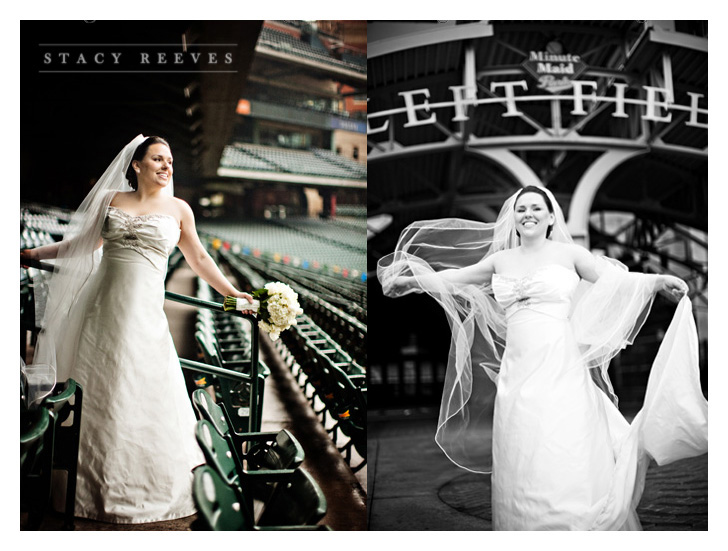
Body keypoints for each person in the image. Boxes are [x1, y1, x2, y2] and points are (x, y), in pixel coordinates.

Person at [378, 185, 708, 531]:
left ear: (551, 216)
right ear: (513, 217)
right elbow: (455, 277)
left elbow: (614, 280)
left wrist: (656, 280)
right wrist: (415, 279)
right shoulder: (499, 260)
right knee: (521, 448)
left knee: (561, 441)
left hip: (560, 365)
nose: (528, 214)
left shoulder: (570, 254)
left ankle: (572, 523)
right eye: (521, 209)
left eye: (536, 208)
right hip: (516, 373)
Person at [21, 135, 255, 524]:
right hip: (100, 311)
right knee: (95, 391)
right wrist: (31, 254)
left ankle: (144, 489)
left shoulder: (179, 209)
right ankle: (77, 487)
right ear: (137, 164)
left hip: (144, 317)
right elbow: (82, 244)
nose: (167, 167)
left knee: (140, 392)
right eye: (159, 159)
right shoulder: (112, 199)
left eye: (170, 162)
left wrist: (234, 295)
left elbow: (198, 258)